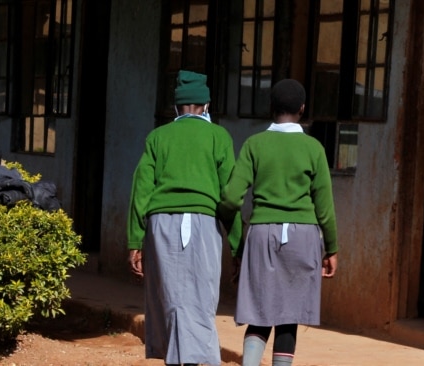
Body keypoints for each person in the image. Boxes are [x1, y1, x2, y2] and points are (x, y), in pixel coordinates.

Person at [220, 78, 339, 366]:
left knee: (260, 312)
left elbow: (231, 199)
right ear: (302, 108)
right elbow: (325, 206)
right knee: (290, 316)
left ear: (271, 107)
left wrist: (237, 236)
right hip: (303, 237)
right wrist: (331, 248)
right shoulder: (314, 149)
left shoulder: (254, 145)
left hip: (262, 234)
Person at [127, 70, 240, 366]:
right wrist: (238, 243)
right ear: (206, 105)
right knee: (200, 300)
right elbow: (230, 195)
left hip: (160, 223)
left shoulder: (158, 137)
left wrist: (135, 239)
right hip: (204, 223)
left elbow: (141, 190)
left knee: (168, 298)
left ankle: (175, 360)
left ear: (177, 107)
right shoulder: (219, 136)